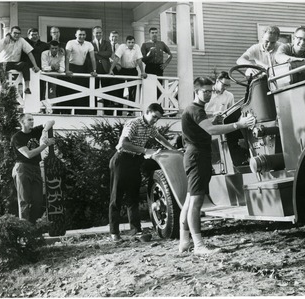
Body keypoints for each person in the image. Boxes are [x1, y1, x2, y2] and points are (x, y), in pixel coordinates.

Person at [180, 77, 255, 255]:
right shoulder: (196, 110)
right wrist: (239, 124)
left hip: (194, 156)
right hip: (197, 157)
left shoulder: (196, 110)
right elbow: (211, 131)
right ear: (196, 92)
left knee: (189, 201)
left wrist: (215, 120)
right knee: (196, 202)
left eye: (210, 91)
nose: (208, 94)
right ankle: (198, 246)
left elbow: (203, 128)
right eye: (204, 91)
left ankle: (184, 242)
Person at [109, 103, 177, 242]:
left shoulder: (150, 127)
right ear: (147, 112)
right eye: (154, 117)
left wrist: (172, 149)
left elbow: (159, 137)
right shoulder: (133, 123)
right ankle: (114, 233)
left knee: (133, 198)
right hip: (121, 160)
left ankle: (136, 231)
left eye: (158, 118)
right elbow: (124, 144)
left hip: (135, 161)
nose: (155, 120)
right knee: (116, 198)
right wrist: (146, 150)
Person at [11, 113, 55, 224]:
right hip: (22, 168)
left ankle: (34, 227)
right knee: (24, 200)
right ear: (22, 122)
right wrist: (45, 145)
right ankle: (24, 229)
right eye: (29, 119)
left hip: (35, 168)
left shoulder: (35, 131)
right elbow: (29, 154)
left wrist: (45, 130)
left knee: (38, 200)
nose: (32, 121)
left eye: (33, 119)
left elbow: (51, 122)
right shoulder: (17, 137)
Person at [0, 26, 40, 94]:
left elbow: (29, 52)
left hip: (15, 63)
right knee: (3, 69)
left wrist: (35, 66)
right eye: (15, 33)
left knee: (25, 65)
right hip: (5, 62)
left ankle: (27, 87)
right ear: (10, 33)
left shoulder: (21, 40)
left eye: (19, 33)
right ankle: (4, 89)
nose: (17, 35)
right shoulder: (5, 40)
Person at [109, 35, 147, 110]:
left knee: (132, 91)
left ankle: (130, 111)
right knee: (119, 89)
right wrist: (111, 70)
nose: (131, 44)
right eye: (129, 42)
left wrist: (142, 72)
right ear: (126, 42)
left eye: (132, 42)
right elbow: (116, 58)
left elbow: (139, 60)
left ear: (134, 42)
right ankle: (119, 110)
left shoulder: (137, 47)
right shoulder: (122, 47)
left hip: (132, 70)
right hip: (123, 70)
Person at [65, 28, 97, 111]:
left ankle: (80, 110)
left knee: (81, 90)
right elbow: (67, 57)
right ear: (76, 35)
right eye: (80, 34)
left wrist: (94, 71)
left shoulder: (89, 44)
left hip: (81, 68)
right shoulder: (70, 43)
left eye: (83, 35)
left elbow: (93, 58)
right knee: (71, 90)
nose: (82, 36)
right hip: (71, 67)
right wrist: (67, 70)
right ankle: (69, 111)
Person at [91, 26, 113, 114]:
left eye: (100, 32)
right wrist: (101, 54)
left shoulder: (107, 43)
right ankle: (93, 111)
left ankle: (107, 112)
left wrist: (97, 53)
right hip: (95, 68)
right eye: (96, 33)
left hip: (105, 68)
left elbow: (109, 53)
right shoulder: (90, 43)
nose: (98, 34)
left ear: (102, 33)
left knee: (106, 90)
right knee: (93, 90)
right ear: (93, 33)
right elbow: (91, 55)